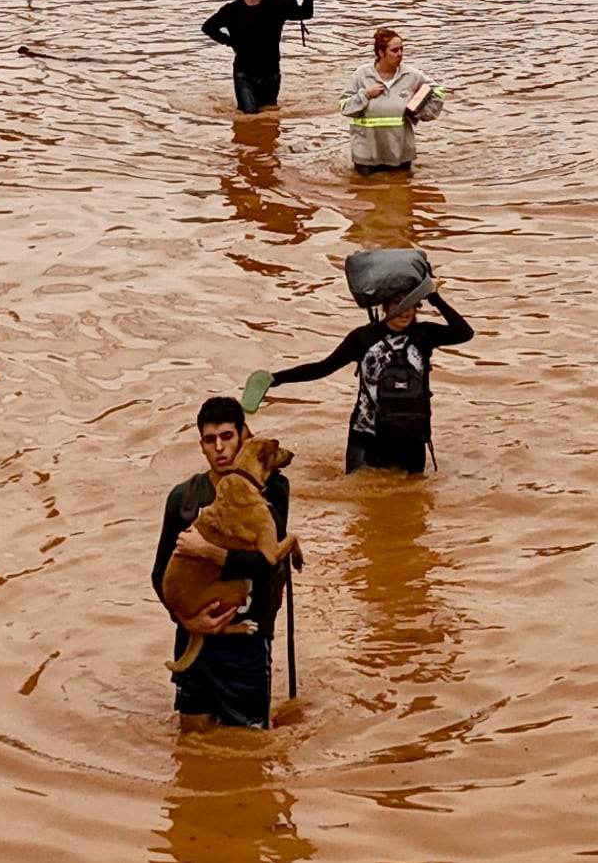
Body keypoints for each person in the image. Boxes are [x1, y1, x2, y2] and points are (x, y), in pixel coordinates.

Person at [152, 396, 294, 729]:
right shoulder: (184, 498)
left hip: (248, 641)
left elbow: (267, 565)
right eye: (209, 439)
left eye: (227, 437)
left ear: (243, 437)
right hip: (193, 638)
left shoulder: (272, 491)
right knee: (192, 743)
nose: (219, 447)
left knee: (249, 747)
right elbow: (160, 574)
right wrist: (186, 620)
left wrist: (210, 552)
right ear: (200, 445)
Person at [265, 268, 474, 473]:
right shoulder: (363, 338)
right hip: (366, 435)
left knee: (412, 501)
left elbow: (464, 333)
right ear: (384, 306)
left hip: (411, 437)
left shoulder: (424, 335)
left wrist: (434, 297)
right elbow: (323, 367)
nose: (407, 311)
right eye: (398, 304)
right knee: (358, 496)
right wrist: (276, 379)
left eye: (412, 304)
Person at [204, 0, 315, 115]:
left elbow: (306, 13)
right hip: (244, 75)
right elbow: (208, 27)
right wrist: (230, 42)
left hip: (271, 75)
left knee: (268, 116)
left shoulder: (275, 7)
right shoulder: (232, 10)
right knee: (249, 114)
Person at [341, 27, 443, 175]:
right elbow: (344, 106)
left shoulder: (412, 76)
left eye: (402, 49)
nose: (400, 54)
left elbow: (438, 92)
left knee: (402, 193)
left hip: (400, 155)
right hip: (366, 155)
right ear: (381, 53)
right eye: (395, 50)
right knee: (365, 195)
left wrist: (419, 112)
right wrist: (366, 95)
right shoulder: (361, 75)